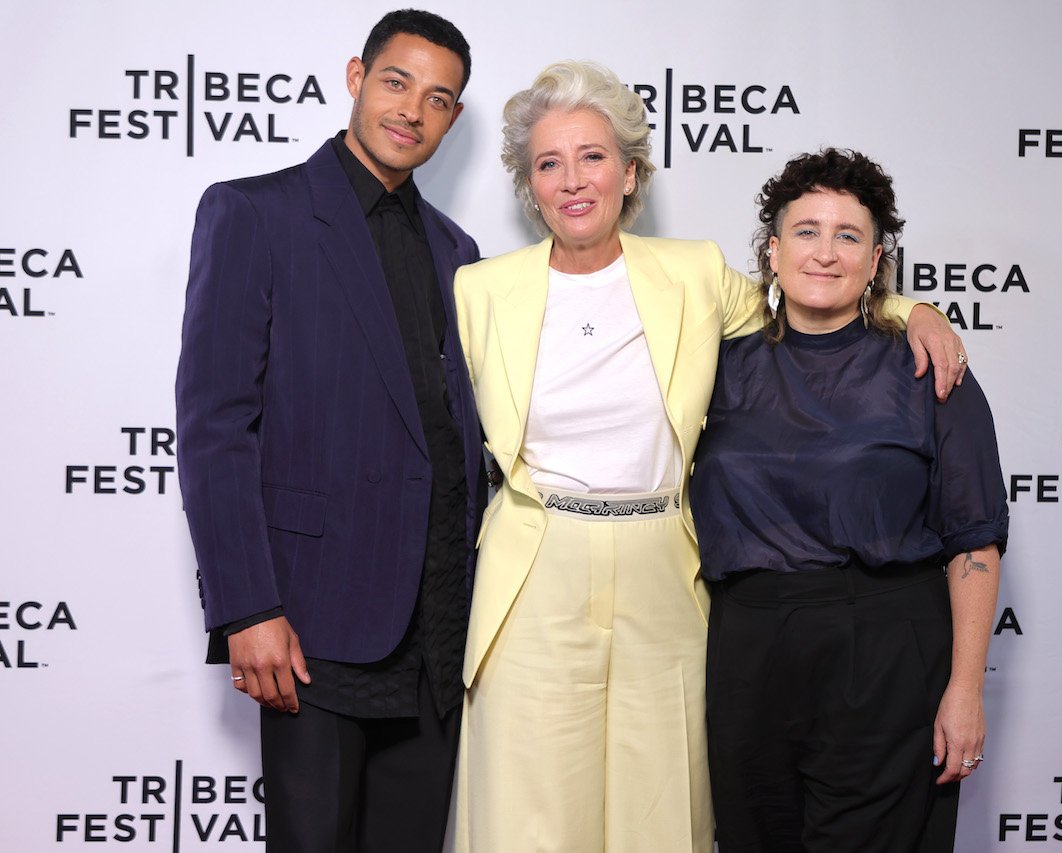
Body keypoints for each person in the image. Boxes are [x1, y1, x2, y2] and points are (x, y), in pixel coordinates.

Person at [450, 62, 967, 853]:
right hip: (535, 564)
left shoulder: (689, 272)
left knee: (661, 807)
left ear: (630, 172)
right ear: (530, 184)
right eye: (548, 164)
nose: (572, 180)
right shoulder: (478, 289)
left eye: (592, 157)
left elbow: (806, 293)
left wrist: (913, 308)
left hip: (663, 563)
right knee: (532, 811)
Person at [175, 10, 484, 852]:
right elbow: (213, 425)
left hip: (438, 633)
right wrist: (248, 606)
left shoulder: (460, 252)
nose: (412, 111)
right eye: (396, 82)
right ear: (356, 76)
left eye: (438, 99)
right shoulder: (255, 213)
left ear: (453, 119)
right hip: (311, 625)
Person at [692, 148, 1008, 852]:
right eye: (806, 232)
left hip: (886, 645)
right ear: (772, 253)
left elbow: (973, 541)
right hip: (747, 650)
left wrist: (965, 690)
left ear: (876, 260)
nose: (825, 253)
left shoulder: (929, 368)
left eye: (848, 236)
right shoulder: (716, 369)